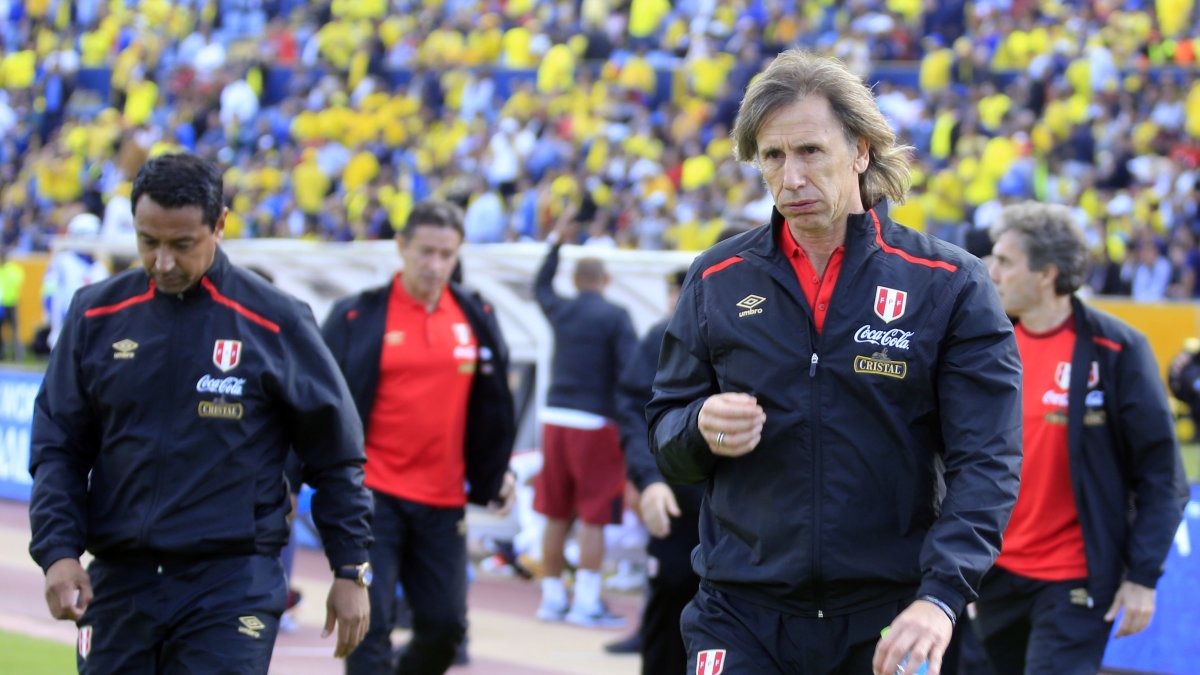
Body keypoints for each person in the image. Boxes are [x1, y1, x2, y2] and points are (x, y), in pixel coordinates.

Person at [645, 49, 1023, 675]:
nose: (790, 177)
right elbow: (665, 434)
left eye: (810, 152)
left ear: (861, 151)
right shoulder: (716, 277)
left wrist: (941, 596)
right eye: (772, 156)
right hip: (739, 612)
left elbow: (988, 461)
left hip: (890, 615)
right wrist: (701, 427)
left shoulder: (949, 283)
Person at [27, 153, 373, 673]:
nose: (163, 261)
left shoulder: (276, 322)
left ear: (220, 225)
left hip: (232, 581)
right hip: (120, 577)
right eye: (149, 241)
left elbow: (335, 456)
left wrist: (350, 569)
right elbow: (59, 448)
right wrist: (58, 552)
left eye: (182, 244)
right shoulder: (94, 315)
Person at [978, 201, 1189, 674]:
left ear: (1047, 274)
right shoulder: (986, 343)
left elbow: (1162, 475)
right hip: (993, 575)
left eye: (1005, 261)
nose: (991, 272)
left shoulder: (1115, 349)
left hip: (1074, 578)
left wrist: (1142, 577)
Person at [322, 199, 517, 675]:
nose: (435, 266)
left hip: (443, 499)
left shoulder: (475, 315)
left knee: (447, 626)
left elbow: (493, 405)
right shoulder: (358, 317)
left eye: (446, 255)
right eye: (425, 252)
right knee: (371, 625)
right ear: (401, 247)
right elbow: (319, 404)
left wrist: (496, 471)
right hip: (373, 496)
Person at [533, 219, 638, 628]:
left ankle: (553, 598)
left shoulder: (561, 309)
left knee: (555, 511)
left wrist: (555, 245)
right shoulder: (616, 316)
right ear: (605, 280)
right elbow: (629, 372)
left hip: (554, 416)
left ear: (576, 280)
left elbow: (540, 288)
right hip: (595, 422)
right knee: (594, 514)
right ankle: (587, 602)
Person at [613, 268, 702, 675]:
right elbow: (635, 411)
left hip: (758, 517)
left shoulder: (784, 331)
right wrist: (649, 481)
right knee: (669, 609)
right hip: (680, 508)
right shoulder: (665, 336)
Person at [1168, 337, 1200, 442]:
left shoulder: (1181, 358)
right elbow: (1194, 383)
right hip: (1186, 394)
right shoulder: (1189, 363)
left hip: (1179, 391)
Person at [0, 245, 26, 360]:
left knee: (15, 331)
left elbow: (17, 282)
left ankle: (18, 355)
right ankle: (2, 353)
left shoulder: (13, 269)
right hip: (1, 304)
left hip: (11, 303)